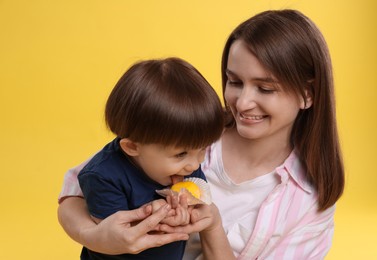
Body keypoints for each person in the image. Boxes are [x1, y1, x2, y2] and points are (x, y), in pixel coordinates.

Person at [58, 9, 344, 259]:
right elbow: (76, 190)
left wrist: (212, 226)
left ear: (308, 94)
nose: (242, 103)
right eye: (234, 81)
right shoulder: (193, 126)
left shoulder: (308, 201)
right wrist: (96, 237)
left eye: (265, 88)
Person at [64, 57, 225, 259]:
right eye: (180, 154)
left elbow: (198, 200)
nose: (194, 164)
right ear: (132, 147)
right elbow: (113, 237)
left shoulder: (186, 165)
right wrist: (156, 216)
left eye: (203, 149)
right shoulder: (103, 176)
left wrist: (188, 213)